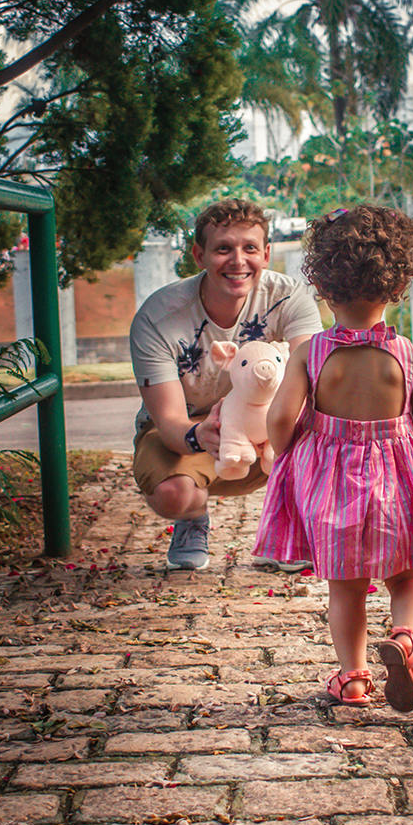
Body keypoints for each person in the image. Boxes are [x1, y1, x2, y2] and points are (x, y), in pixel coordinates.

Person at [254, 205, 413, 711]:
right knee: (411, 577)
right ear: (395, 285)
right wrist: (409, 465)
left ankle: (353, 680)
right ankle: (405, 639)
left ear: (323, 287)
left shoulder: (309, 353)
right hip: (397, 481)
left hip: (332, 490)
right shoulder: (404, 352)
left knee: (347, 590)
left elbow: (280, 423)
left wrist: (292, 460)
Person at [130, 200, 322, 570]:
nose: (238, 261)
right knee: (174, 494)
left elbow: (310, 385)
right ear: (199, 255)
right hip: (194, 427)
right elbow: (169, 419)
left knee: (323, 422)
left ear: (266, 254)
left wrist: (279, 431)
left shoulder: (288, 296)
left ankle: (286, 527)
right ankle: (193, 518)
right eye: (223, 249)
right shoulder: (158, 316)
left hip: (269, 421)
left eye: (249, 248)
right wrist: (202, 434)